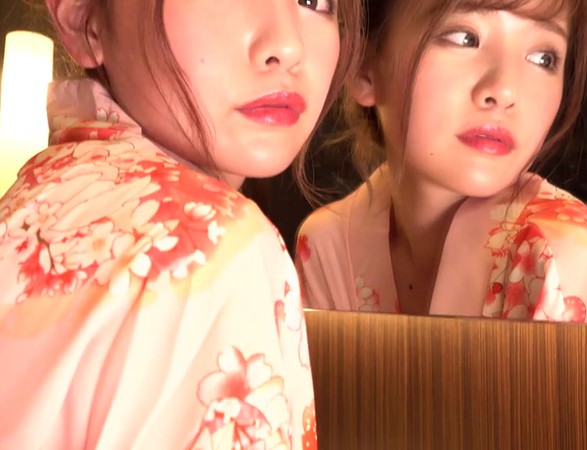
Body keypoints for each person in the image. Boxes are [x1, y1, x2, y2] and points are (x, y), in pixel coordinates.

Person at [0, 0, 362, 447]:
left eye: (315, 0)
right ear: (83, 19)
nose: (288, 46)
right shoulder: (212, 245)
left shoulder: (37, 200)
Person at [296, 0, 587, 325]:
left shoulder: (570, 261)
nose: (504, 90)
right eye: (464, 37)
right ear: (363, 65)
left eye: (543, 58)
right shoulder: (330, 247)